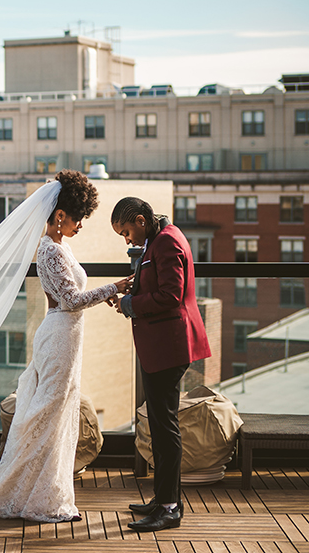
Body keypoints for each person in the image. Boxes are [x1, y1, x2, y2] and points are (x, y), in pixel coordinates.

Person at [0, 170, 131, 523]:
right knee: (48, 412)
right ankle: (27, 497)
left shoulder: (60, 245)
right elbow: (70, 300)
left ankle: (43, 494)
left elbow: (74, 297)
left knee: (58, 412)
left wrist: (107, 293)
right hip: (60, 336)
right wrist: (114, 288)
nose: (81, 225)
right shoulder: (49, 250)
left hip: (67, 336)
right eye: (78, 217)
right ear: (60, 215)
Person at [108, 197, 212, 533]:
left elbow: (171, 295)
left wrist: (130, 304)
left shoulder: (166, 241)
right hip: (164, 345)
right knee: (160, 425)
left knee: (165, 429)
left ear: (140, 220)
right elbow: (160, 283)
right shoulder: (159, 237)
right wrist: (132, 291)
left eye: (126, 232)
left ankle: (169, 508)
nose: (127, 240)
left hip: (169, 347)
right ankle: (164, 498)